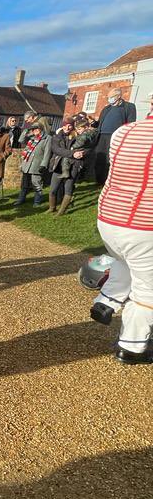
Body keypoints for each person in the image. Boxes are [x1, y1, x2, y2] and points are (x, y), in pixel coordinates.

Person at [89, 93, 153, 364]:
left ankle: (107, 301)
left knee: (125, 261)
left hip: (110, 216)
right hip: (144, 223)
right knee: (148, 288)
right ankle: (132, 346)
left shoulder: (123, 132)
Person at [93, 88, 137, 186]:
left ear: (118, 96)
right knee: (100, 158)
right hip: (102, 136)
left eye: (111, 97)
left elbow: (130, 123)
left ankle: (108, 181)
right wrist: (94, 123)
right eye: (108, 97)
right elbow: (99, 123)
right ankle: (99, 180)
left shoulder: (129, 107)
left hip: (115, 137)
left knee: (110, 159)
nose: (109, 99)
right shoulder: (106, 108)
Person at [15, 123, 50, 206]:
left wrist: (44, 164)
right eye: (33, 129)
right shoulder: (31, 137)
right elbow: (21, 140)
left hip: (37, 164)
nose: (35, 130)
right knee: (24, 184)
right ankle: (21, 200)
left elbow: (47, 152)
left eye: (37, 128)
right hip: (27, 164)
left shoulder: (47, 138)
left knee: (37, 184)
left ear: (41, 129)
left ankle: (37, 201)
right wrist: (27, 130)